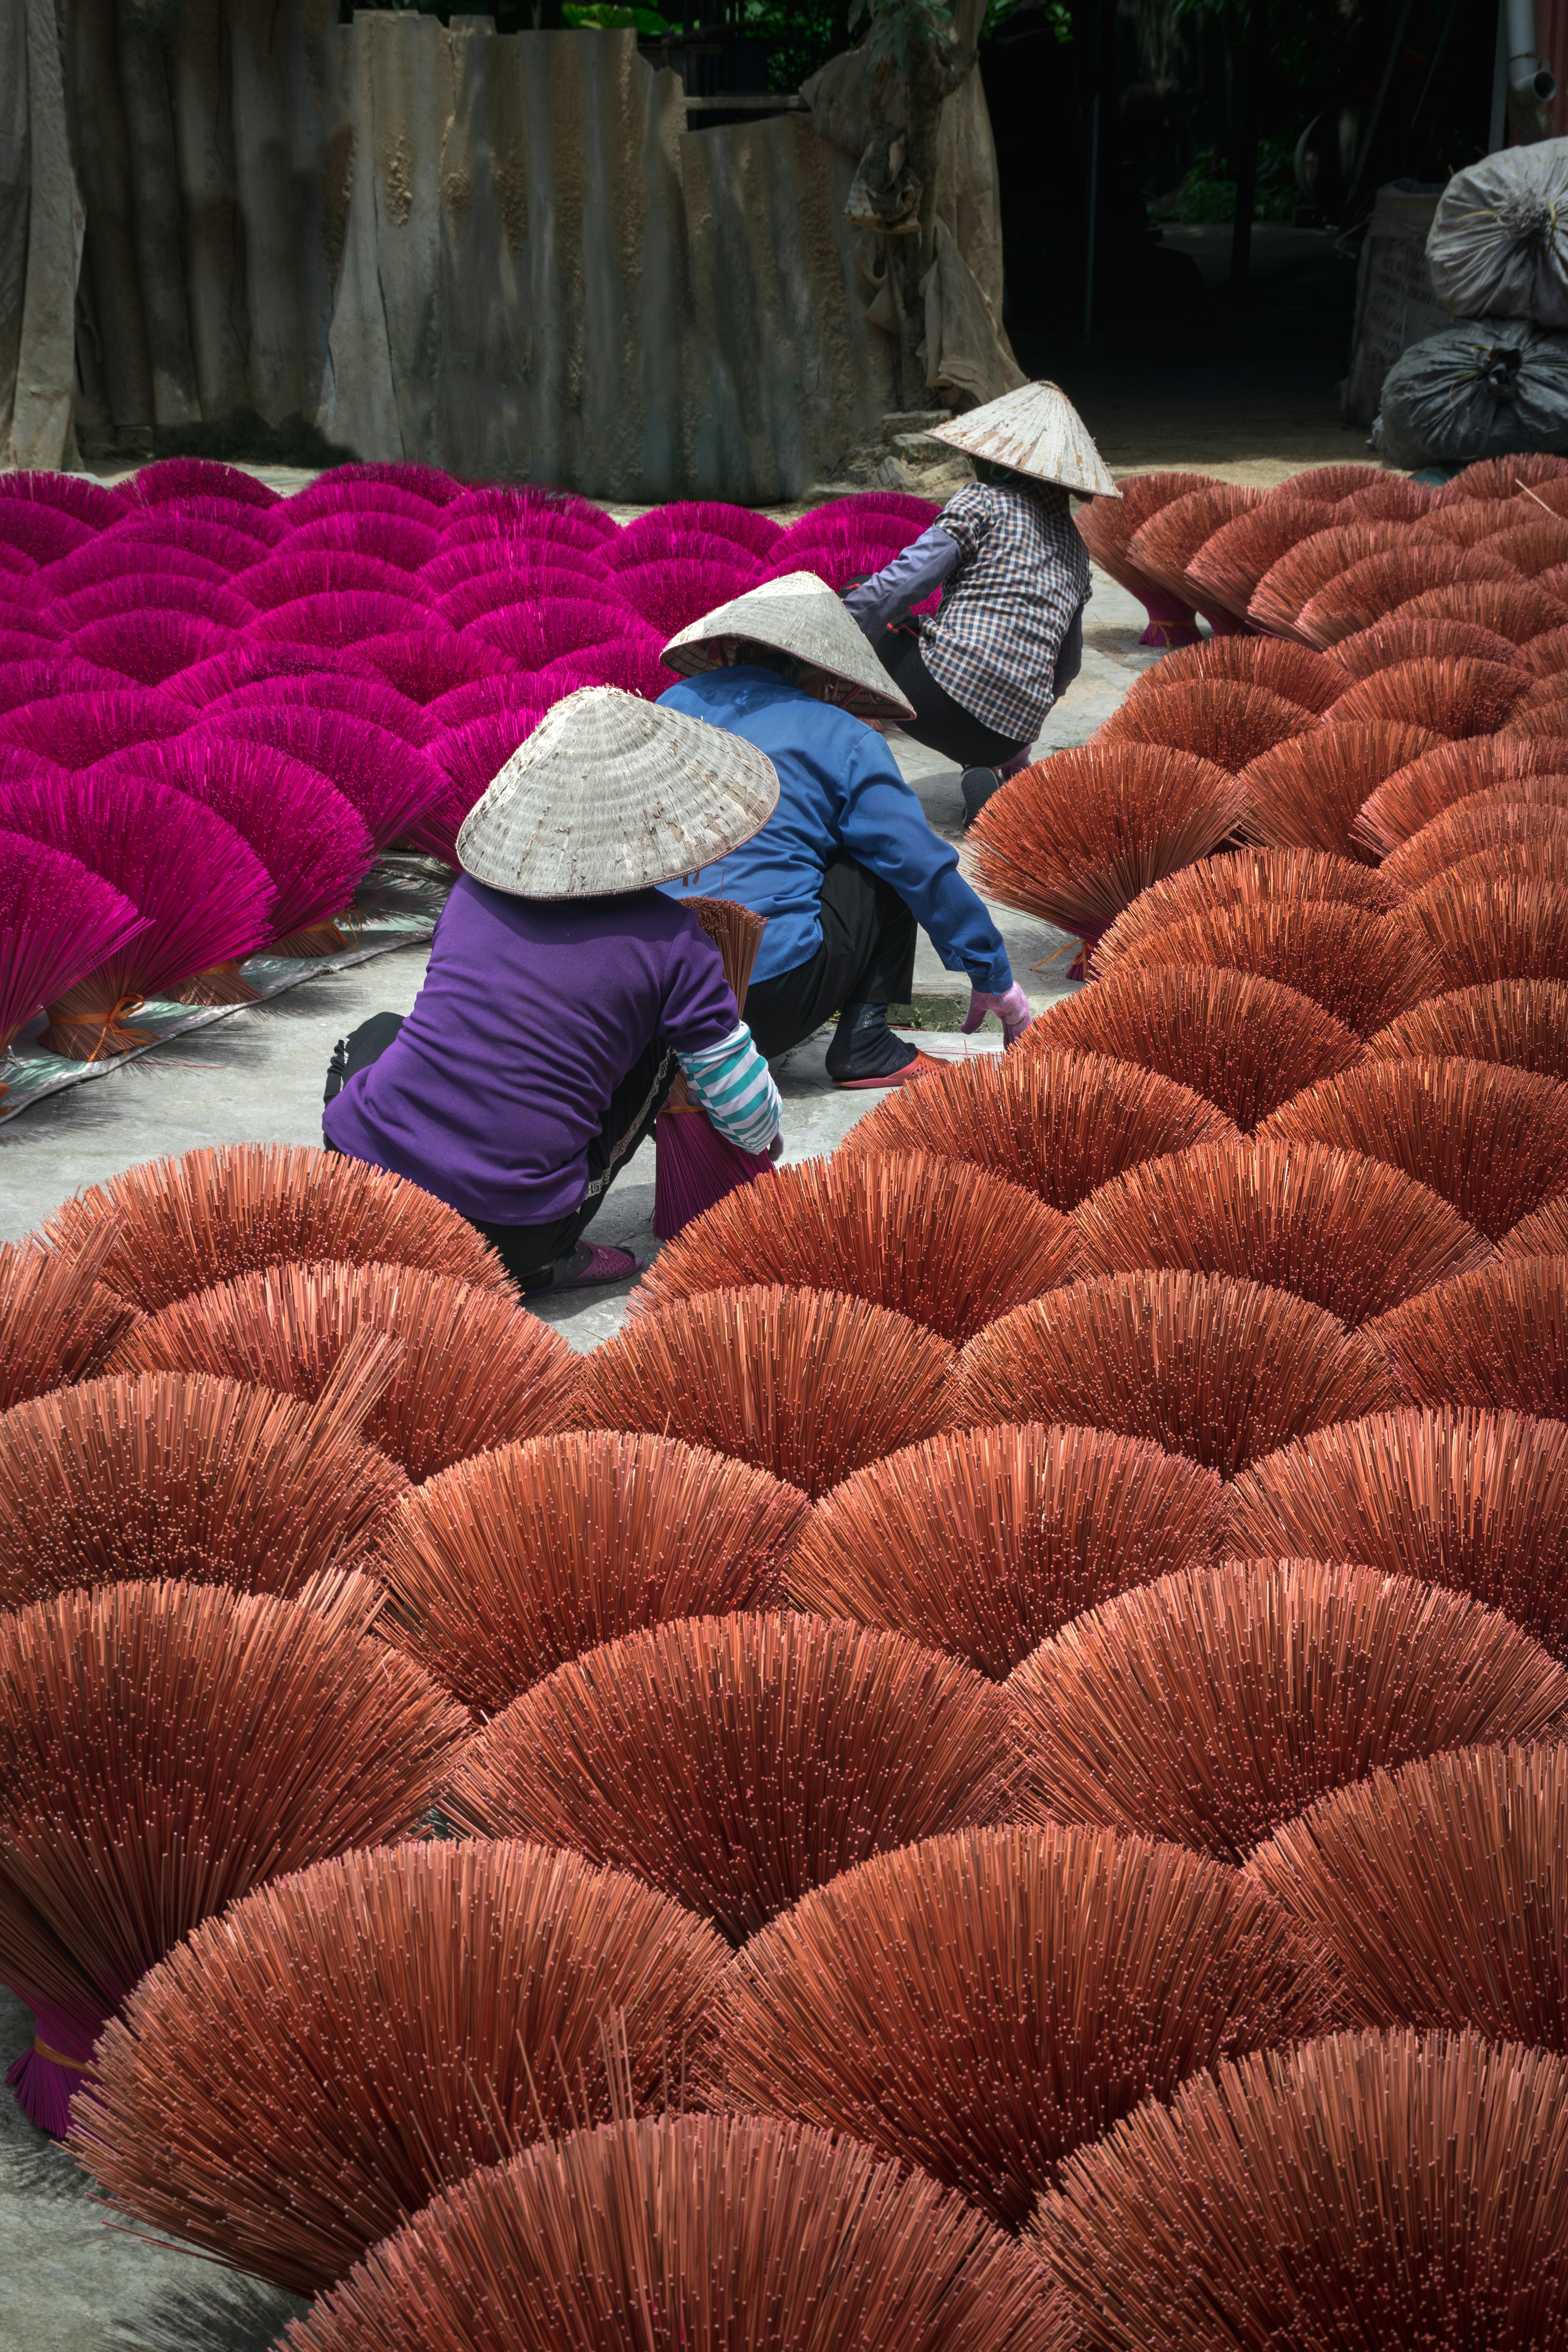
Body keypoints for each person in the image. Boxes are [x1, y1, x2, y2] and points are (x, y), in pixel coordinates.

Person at [321, 686, 785, 1293]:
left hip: (360, 1177)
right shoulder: (675, 942)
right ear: (666, 824)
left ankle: (364, 1198)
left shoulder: (472, 891)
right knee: (659, 1049)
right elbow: (749, 1120)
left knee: (379, 1031)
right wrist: (764, 1134)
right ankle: (552, 1257)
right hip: (503, 1234)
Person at [656, 572, 1031, 1088]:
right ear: (825, 674)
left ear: (731, 649)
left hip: (650, 1009)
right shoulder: (844, 736)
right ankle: (867, 1043)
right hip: (760, 1005)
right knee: (884, 853)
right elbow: (921, 866)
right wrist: (995, 975)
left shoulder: (668, 708)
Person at [844, 379, 1117, 827]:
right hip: (1009, 736)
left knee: (863, 599)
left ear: (1005, 468)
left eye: (981, 457)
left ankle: (849, 771)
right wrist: (1018, 726)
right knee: (973, 699)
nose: (974, 463)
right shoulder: (1076, 550)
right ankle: (985, 767)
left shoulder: (984, 502)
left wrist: (834, 622)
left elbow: (904, 584)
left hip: (932, 702)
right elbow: (1065, 667)